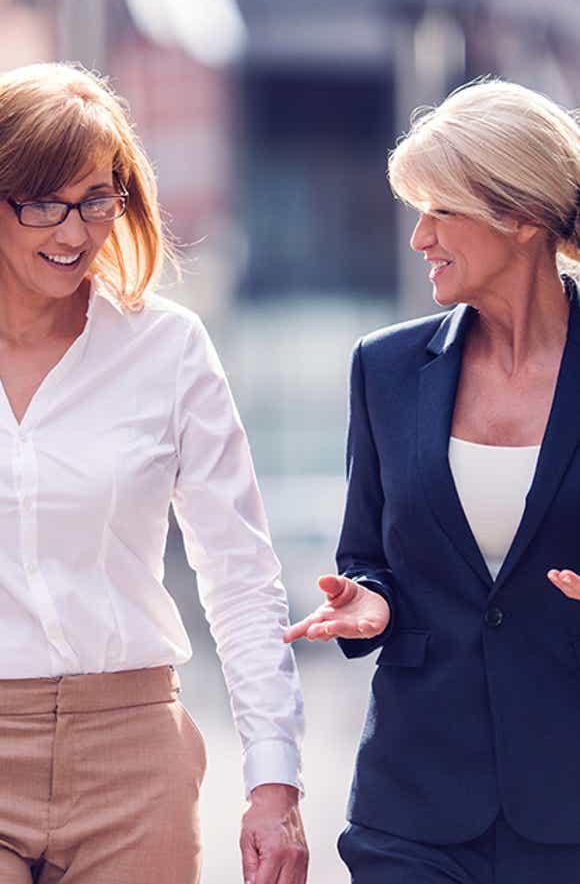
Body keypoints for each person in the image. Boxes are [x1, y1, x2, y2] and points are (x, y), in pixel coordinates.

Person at [0, 61, 307, 884]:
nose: (74, 233)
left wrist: (273, 779)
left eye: (97, 199)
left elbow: (240, 572)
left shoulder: (166, 347)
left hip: (132, 755)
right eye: (42, 204)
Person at [285, 78, 580, 883]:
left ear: (520, 216)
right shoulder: (384, 368)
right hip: (412, 810)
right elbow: (367, 555)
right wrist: (368, 600)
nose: (419, 238)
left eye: (441, 210)